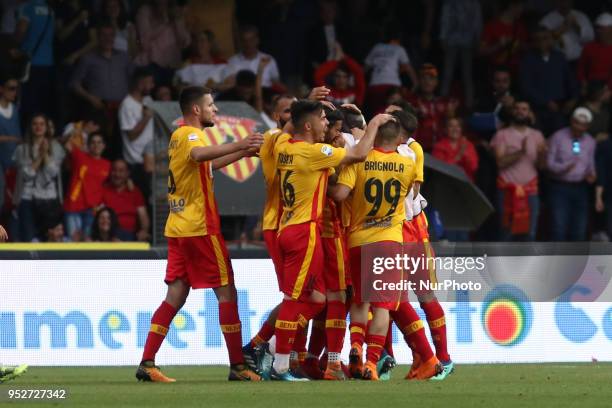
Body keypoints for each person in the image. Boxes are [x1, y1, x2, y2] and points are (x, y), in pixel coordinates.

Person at [136, 86, 263, 382]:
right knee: (227, 291)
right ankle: (238, 366)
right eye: (211, 105)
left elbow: (205, 165)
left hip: (179, 228)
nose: (215, 110)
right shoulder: (189, 135)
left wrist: (243, 152)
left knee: (175, 295)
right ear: (196, 110)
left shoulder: (180, 136)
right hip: (200, 228)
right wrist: (238, 142)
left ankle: (147, 362)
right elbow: (200, 153)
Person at [269, 101, 389, 380]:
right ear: (309, 126)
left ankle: (274, 344)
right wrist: (372, 124)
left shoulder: (284, 146)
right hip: (304, 231)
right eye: (324, 119)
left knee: (317, 298)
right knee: (296, 298)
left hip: (285, 228)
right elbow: (359, 154)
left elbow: (290, 127)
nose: (327, 124)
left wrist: (306, 104)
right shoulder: (315, 153)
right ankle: (280, 365)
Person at [329, 116, 439, 381]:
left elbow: (340, 195)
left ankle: (355, 344)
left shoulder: (359, 161)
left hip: (357, 239)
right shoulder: (408, 163)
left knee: (359, 300)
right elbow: (412, 197)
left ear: (373, 137)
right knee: (382, 308)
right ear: (399, 140)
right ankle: (371, 363)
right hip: (390, 240)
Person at [392, 108, 454, 380]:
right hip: (399, 229)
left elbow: (414, 191)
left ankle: (442, 358)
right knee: (391, 300)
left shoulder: (410, 150)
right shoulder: (392, 150)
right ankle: (414, 358)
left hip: (411, 229)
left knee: (420, 295)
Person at [491, 101, 546, 241]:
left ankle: (527, 263)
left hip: (531, 191)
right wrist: (520, 152)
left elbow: (542, 167)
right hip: (507, 191)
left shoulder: (537, 135)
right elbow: (500, 162)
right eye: (517, 109)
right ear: (512, 112)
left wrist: (542, 155)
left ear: (529, 113)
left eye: (524, 109)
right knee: (506, 235)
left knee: (529, 235)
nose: (520, 111)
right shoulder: (502, 134)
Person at [11, 113, 65, 242]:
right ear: (30, 127)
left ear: (46, 127)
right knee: (29, 239)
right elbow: (27, 174)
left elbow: (52, 173)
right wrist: (40, 156)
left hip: (49, 199)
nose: (38, 127)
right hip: (27, 198)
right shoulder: (21, 149)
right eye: (35, 124)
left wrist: (45, 154)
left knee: (50, 239)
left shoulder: (56, 147)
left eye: (42, 124)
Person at [547, 107, 596, 241]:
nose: (579, 127)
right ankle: (557, 260)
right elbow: (549, 164)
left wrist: (591, 174)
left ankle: (576, 261)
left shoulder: (590, 141)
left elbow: (591, 164)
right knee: (559, 227)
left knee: (579, 229)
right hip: (560, 187)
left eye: (583, 125)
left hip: (581, 188)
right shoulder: (558, 137)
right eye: (577, 123)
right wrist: (563, 168)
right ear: (571, 121)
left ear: (588, 126)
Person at [519, 26, 577, 137]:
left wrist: (573, 98)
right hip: (537, 109)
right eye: (538, 39)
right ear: (533, 42)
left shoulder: (560, 58)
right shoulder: (527, 60)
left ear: (551, 39)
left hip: (559, 108)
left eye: (545, 38)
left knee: (560, 139)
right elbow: (525, 87)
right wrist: (545, 101)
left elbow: (570, 81)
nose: (542, 42)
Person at [63, 133, 110, 241]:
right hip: (73, 207)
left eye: (99, 142)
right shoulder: (80, 156)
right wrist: (81, 131)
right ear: (88, 146)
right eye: (93, 142)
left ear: (104, 146)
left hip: (93, 209)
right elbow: (66, 142)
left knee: (88, 243)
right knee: (73, 243)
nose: (96, 145)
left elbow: (112, 184)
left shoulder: (108, 165)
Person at [14, 0, 55, 121]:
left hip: (30, 63)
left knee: (26, 103)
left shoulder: (27, 8)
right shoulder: (50, 10)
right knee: (42, 103)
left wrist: (15, 45)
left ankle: (26, 132)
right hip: (48, 63)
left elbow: (21, 30)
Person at [364, 24, 418, 115]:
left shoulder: (377, 47)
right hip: (393, 86)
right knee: (395, 113)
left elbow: (365, 68)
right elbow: (408, 68)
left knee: (377, 114)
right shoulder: (399, 49)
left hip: (375, 85)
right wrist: (416, 84)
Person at [118, 67, 155, 198]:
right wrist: (145, 118)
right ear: (140, 83)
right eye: (149, 82)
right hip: (136, 164)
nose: (152, 86)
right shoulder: (127, 105)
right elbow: (131, 135)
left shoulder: (148, 100)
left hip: (151, 160)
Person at [439, 0, 482, 109]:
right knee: (447, 73)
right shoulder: (449, 3)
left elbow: (477, 21)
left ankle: (469, 104)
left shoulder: (474, 3)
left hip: (468, 42)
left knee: (467, 74)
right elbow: (445, 19)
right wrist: (443, 38)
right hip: (451, 41)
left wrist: (477, 40)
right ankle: (442, 101)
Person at [134, 0, 190, 85]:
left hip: (173, 66)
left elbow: (185, 42)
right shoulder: (145, 11)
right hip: (152, 66)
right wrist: (164, 22)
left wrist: (177, 20)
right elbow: (144, 42)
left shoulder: (173, 11)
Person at [407, 63, 459, 152]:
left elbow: (452, 124)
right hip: (420, 150)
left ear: (436, 82)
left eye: (431, 79)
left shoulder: (444, 102)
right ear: (419, 81)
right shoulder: (412, 102)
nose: (427, 82)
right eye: (423, 78)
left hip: (441, 150)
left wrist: (450, 114)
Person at [100, 159, 149, 242]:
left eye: (121, 171)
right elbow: (99, 217)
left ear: (127, 173)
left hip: (131, 235)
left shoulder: (135, 192)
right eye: (114, 170)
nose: (117, 174)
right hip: (110, 235)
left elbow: (143, 216)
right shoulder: (103, 190)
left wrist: (144, 230)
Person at [224, 25, 282, 90]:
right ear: (240, 42)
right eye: (244, 40)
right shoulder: (232, 61)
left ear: (257, 40)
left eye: (251, 40)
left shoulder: (269, 59)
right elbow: (229, 85)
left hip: (265, 95)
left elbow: (276, 83)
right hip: (241, 97)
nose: (248, 44)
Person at [479, 0, 528, 74]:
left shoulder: (520, 26)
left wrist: (518, 44)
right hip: (497, 73)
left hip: (516, 72)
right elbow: (481, 51)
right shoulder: (491, 26)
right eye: (520, 7)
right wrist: (499, 45)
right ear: (511, 6)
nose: (522, 10)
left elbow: (526, 47)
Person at [539, 0, 594, 64]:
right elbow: (541, 43)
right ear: (556, 2)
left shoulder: (581, 16)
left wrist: (576, 26)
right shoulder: (546, 20)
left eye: (567, 1)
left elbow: (590, 38)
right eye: (561, 1)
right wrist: (561, 29)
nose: (564, 3)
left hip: (579, 61)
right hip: (556, 62)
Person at [433, 117, 479, 182]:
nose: (455, 129)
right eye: (451, 126)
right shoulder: (439, 146)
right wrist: (459, 155)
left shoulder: (468, 145)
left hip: (464, 183)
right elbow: (440, 169)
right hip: (445, 183)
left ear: (461, 129)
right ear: (446, 129)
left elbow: (473, 167)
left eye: (458, 126)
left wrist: (465, 154)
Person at [0, 76, 21, 214]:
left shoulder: (15, 109)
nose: (15, 92)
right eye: (11, 89)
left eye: (16, 89)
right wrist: (12, 139)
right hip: (0, 160)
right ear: (1, 89)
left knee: (16, 196)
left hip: (14, 158)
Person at [577, 13, 612, 91]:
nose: (598, 31)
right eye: (597, 28)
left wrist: (609, 90)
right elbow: (581, 69)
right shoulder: (588, 47)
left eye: (602, 28)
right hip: (591, 86)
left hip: (608, 87)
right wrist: (583, 84)